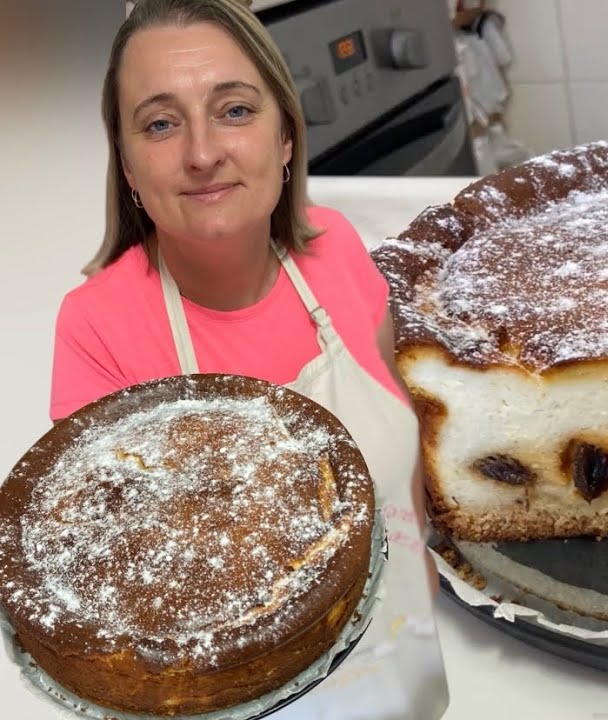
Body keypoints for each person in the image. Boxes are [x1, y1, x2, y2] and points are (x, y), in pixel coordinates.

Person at [49, 1, 447, 717]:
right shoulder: (96, 328)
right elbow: (118, 601)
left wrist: (432, 596)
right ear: (129, 166)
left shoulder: (336, 247)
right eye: (161, 124)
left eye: (234, 110)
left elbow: (407, 439)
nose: (202, 153)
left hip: (410, 657)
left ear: (286, 136)